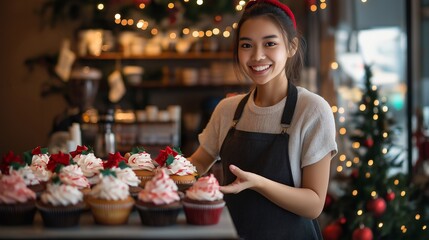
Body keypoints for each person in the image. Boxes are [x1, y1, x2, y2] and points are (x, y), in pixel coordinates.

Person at [187, 0, 338, 239]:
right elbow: (197, 163)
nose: (257, 56)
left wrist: (258, 183)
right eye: (247, 45)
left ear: (291, 47)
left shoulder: (312, 110)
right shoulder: (227, 109)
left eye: (270, 43)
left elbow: (314, 204)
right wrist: (157, 171)